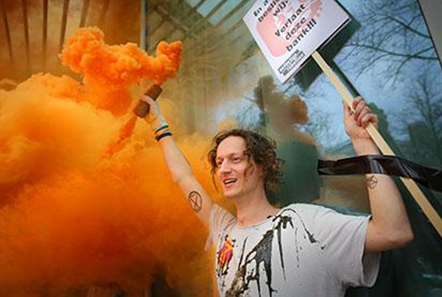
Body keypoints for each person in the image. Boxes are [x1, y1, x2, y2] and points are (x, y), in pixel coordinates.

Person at [140, 94, 413, 297]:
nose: (224, 169)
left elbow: (393, 231)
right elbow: (182, 177)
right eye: (219, 162)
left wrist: (364, 144)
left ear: (260, 167)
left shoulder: (305, 223)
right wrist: (158, 124)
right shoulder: (222, 229)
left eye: (235, 159)